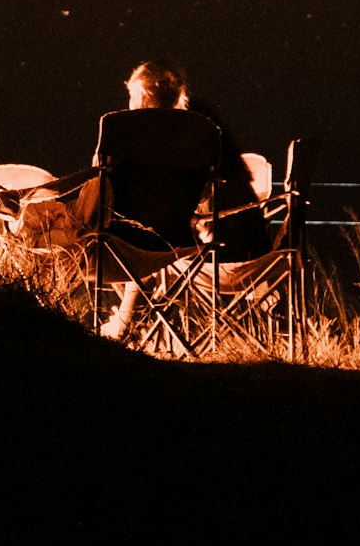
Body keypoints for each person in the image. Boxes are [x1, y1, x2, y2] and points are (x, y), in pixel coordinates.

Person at [85, 61, 245, 339]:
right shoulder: (204, 131)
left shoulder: (118, 126)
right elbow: (208, 194)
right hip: (178, 241)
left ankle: (124, 325)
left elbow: (97, 185)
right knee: (148, 247)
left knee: (107, 235)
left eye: (133, 94)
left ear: (144, 94)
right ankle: (132, 322)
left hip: (118, 240)